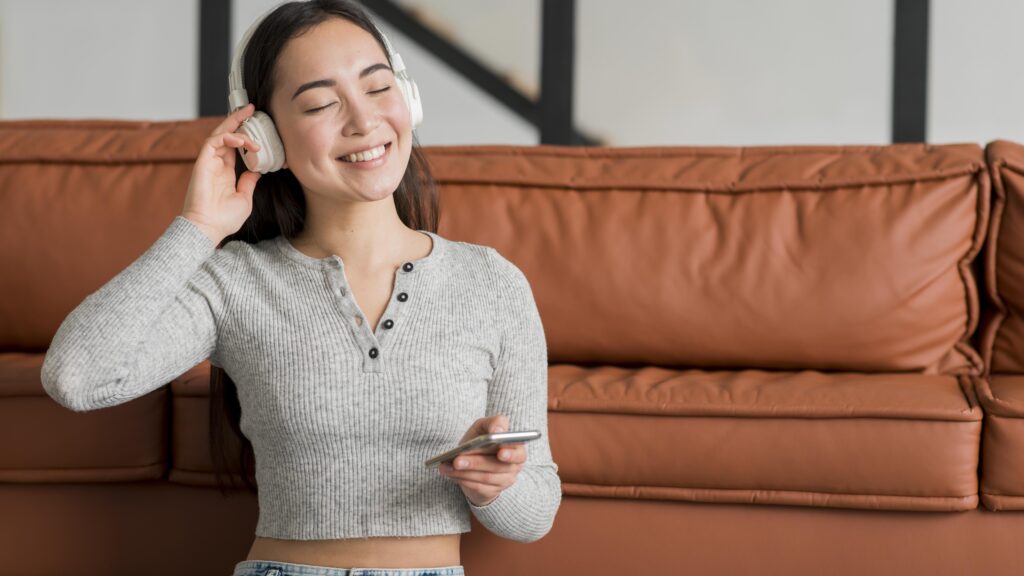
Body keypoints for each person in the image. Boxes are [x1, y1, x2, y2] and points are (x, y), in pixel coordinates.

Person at [38, 1, 561, 575]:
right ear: (266, 137)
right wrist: (200, 226)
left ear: (408, 99)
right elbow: (77, 377)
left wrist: (496, 486)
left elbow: (535, 516)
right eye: (319, 103)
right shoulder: (236, 282)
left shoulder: (492, 282)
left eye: (378, 88)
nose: (363, 122)